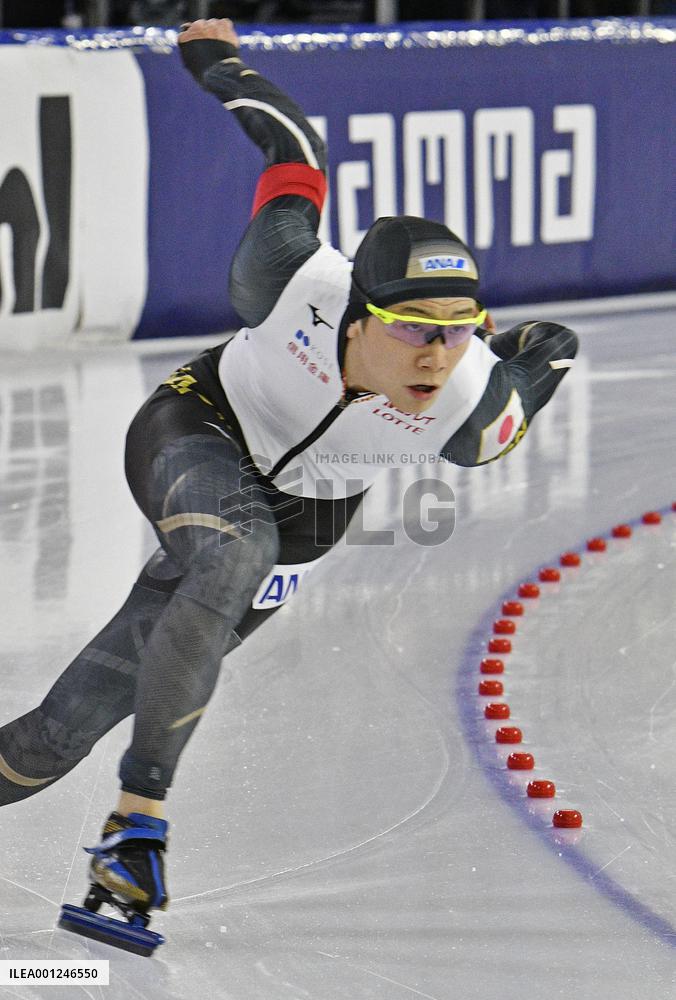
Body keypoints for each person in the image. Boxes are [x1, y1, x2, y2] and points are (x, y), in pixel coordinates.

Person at [0, 17, 577, 933]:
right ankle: (136, 827)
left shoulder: (473, 410)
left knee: (54, 737)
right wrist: (219, 63)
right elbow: (296, 150)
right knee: (236, 551)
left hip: (312, 514)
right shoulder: (285, 277)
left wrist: (515, 343)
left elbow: (555, 345)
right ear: (357, 313)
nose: (436, 355)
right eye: (414, 327)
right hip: (202, 424)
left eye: (456, 329)